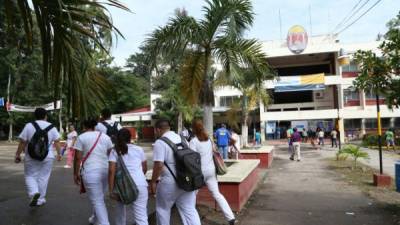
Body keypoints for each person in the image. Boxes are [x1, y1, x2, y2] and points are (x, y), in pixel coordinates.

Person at [150, 119, 201, 225]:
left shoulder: (160, 142)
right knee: (189, 210)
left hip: (169, 182)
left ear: (158, 130)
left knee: (163, 210)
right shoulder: (183, 139)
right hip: (186, 181)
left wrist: (153, 182)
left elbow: (159, 165)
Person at [189, 120, 236, 225]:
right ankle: (231, 218)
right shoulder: (209, 140)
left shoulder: (193, 141)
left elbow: (192, 159)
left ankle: (192, 220)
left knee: (191, 196)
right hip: (211, 171)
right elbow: (214, 152)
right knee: (217, 194)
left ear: (194, 129)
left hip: (200, 173)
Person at [14, 108, 61, 207]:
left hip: (31, 156)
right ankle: (41, 199)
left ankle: (34, 193)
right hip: (48, 156)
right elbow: (57, 141)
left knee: (30, 176)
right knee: (44, 177)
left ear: (35, 116)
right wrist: (59, 154)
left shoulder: (29, 126)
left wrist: (18, 154)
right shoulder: (52, 127)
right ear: (46, 116)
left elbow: (23, 142)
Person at [73, 119, 113, 225]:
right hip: (105, 171)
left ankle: (104, 223)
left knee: (97, 200)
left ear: (84, 126)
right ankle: (95, 219)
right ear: (95, 126)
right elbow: (111, 155)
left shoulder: (81, 137)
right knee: (99, 198)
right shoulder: (105, 137)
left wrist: (75, 173)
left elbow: (77, 158)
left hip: (91, 172)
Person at [108, 128, 148, 225]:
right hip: (140, 184)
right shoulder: (139, 149)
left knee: (120, 212)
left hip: (122, 186)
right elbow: (145, 168)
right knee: (141, 216)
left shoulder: (114, 151)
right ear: (130, 138)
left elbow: (111, 171)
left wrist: (111, 190)